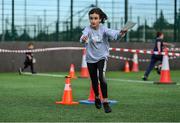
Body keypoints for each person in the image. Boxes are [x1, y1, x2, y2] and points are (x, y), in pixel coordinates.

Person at [80, 7, 127, 113]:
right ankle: (97, 97)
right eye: (91, 18)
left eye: (95, 18)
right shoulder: (87, 29)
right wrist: (83, 38)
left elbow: (115, 34)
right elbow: (83, 37)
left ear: (100, 19)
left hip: (102, 57)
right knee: (94, 80)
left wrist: (121, 33)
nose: (93, 21)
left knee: (101, 77)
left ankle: (105, 101)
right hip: (90, 58)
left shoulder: (104, 29)